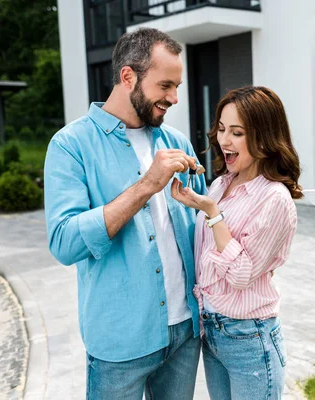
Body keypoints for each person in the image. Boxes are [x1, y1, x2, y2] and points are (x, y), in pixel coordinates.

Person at [44, 28, 206, 399]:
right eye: (165, 85)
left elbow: (203, 222)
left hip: (185, 332)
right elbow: (64, 243)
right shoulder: (70, 146)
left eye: (177, 86)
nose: (174, 98)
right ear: (128, 76)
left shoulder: (176, 142)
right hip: (120, 344)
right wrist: (147, 185)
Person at [171, 86, 302, 399]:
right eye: (220, 129)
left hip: (249, 337)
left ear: (264, 137)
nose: (223, 140)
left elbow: (241, 274)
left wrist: (212, 213)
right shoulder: (220, 184)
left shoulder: (274, 199)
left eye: (237, 132)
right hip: (212, 331)